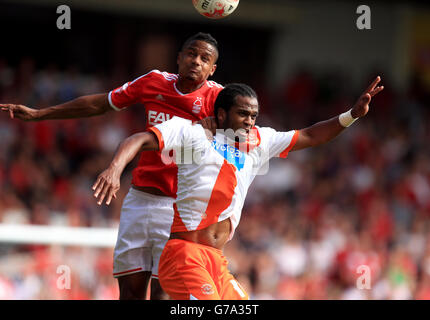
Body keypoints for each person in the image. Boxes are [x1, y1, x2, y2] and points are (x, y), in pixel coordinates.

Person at [92, 79, 384, 299]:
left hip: (216, 261)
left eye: (254, 115)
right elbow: (139, 140)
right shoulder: (191, 133)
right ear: (220, 114)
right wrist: (115, 169)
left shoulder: (259, 141)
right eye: (243, 114)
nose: (249, 121)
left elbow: (310, 135)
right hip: (184, 255)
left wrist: (352, 115)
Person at [0, 32, 222, 300]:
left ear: (212, 69)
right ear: (178, 58)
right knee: (129, 294)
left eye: (204, 58)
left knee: (164, 294)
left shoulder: (220, 101)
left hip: (181, 209)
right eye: (191, 54)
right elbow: (99, 104)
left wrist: (219, 134)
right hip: (140, 201)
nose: (196, 61)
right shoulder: (154, 82)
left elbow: (245, 139)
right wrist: (40, 114)